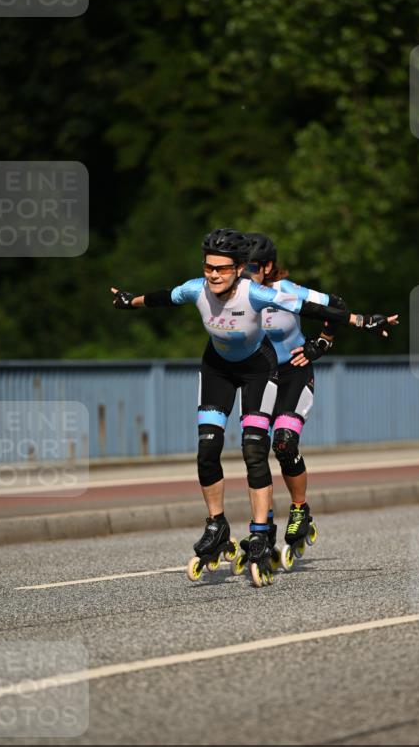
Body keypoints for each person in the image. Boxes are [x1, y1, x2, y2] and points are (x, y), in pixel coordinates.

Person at [111, 228, 395, 586]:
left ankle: (265, 528)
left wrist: (355, 324)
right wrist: (129, 301)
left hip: (263, 370)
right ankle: (216, 525)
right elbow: (161, 298)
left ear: (242, 268)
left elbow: (315, 307)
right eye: (208, 267)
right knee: (208, 448)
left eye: (223, 268)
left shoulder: (260, 293)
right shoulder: (195, 288)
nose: (214, 275)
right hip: (217, 368)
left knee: (259, 447)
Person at [240, 233, 398, 567]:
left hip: (294, 374)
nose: (245, 273)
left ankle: (300, 510)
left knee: (283, 444)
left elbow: (337, 305)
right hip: (259, 378)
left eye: (252, 267)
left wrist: (321, 342)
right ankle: (262, 525)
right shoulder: (233, 295)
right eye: (241, 267)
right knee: (254, 448)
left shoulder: (288, 291)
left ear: (268, 267)